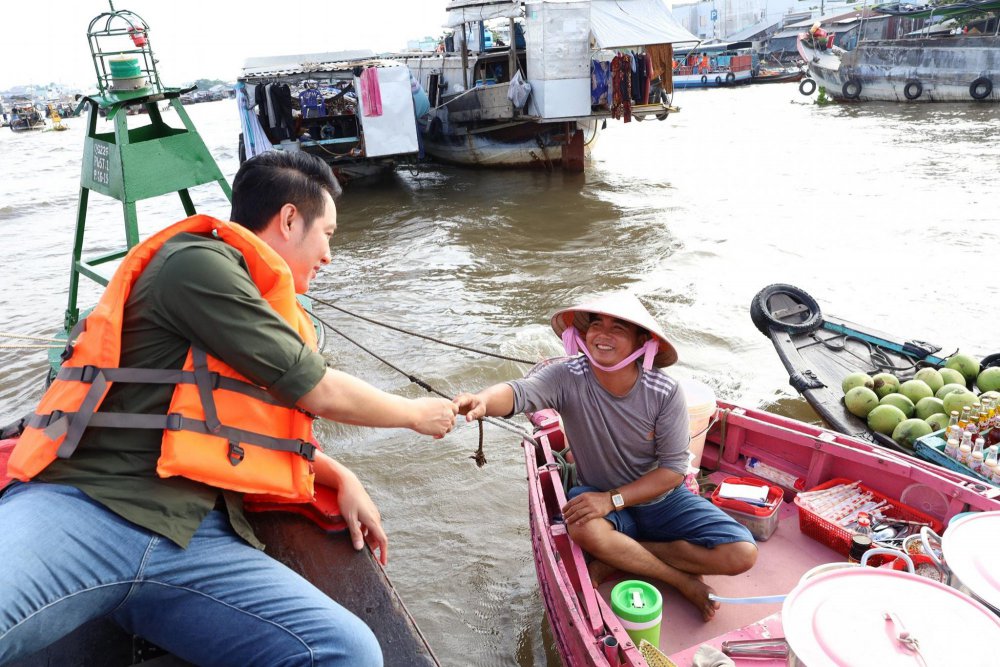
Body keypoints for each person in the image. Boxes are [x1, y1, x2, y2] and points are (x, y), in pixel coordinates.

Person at [0, 150, 460, 666]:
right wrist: (416, 414)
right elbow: (318, 390)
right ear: (290, 219)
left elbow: (232, 423)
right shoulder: (196, 265)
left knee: (345, 651)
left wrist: (337, 473)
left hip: (191, 541)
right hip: (90, 508)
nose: (329, 255)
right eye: (327, 234)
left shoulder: (251, 299)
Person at [454, 294, 757, 621]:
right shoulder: (566, 376)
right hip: (596, 491)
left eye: (618, 328)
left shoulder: (664, 392)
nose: (602, 334)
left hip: (661, 499)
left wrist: (612, 500)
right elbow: (518, 392)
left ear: (642, 341)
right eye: (596, 324)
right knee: (583, 528)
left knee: (742, 553)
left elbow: (672, 471)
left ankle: (620, 556)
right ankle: (679, 579)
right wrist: (482, 401)